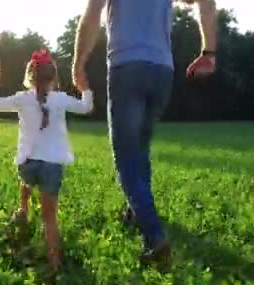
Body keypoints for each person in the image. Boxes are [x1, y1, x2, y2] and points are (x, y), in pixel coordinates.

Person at [72, 0, 218, 266]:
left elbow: (92, 14)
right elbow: (205, 3)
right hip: (162, 70)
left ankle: (155, 236)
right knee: (140, 148)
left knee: (126, 158)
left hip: (127, 66)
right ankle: (134, 212)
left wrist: (78, 63)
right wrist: (209, 52)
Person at [0, 49, 93, 272]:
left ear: (29, 77)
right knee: (49, 218)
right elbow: (86, 107)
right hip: (52, 166)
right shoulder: (61, 99)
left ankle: (23, 210)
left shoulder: (21, 99)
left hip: (27, 164)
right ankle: (54, 264)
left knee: (26, 182)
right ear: (53, 78)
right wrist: (85, 89)